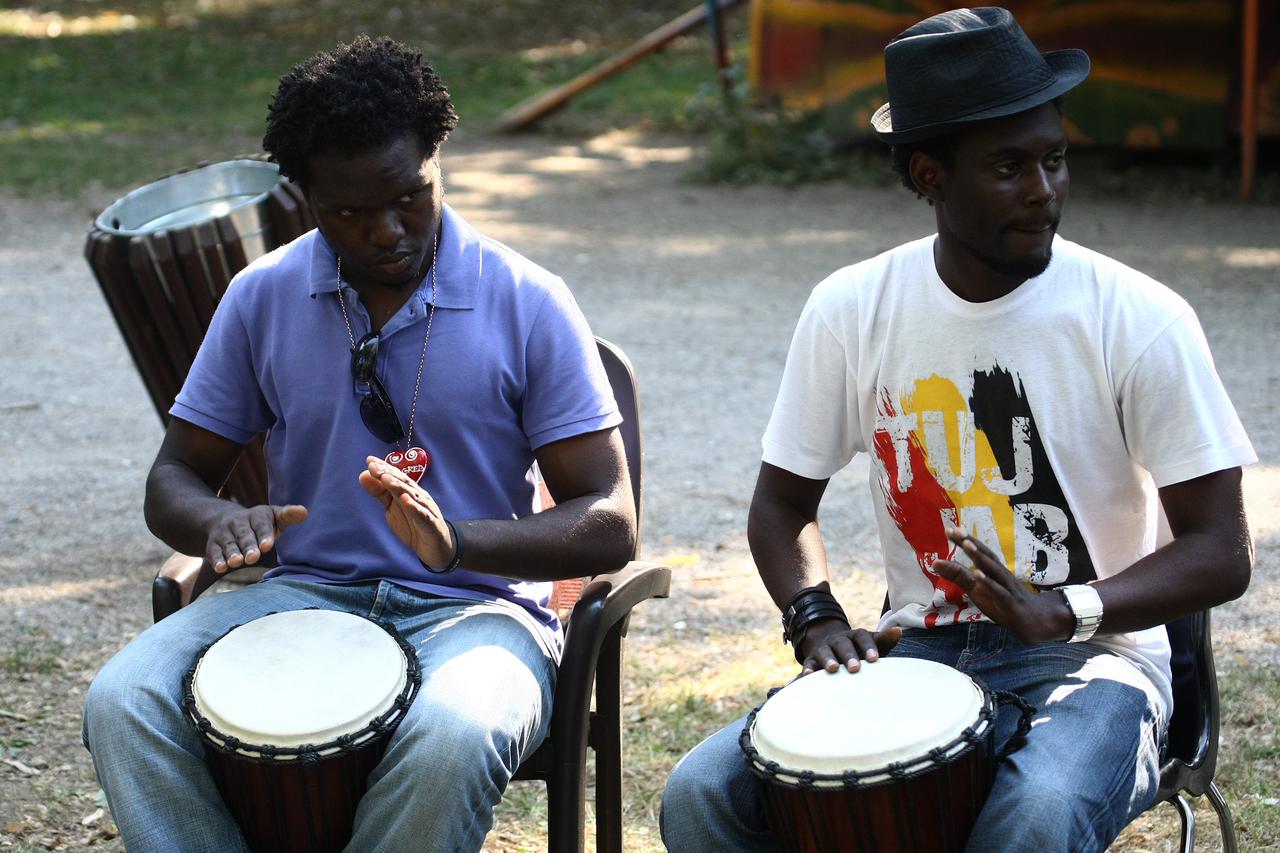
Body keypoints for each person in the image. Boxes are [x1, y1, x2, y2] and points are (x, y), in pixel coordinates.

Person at [661, 7, 1254, 852]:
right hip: (920, 653)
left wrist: (1068, 608)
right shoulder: (852, 309)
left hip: (1099, 660)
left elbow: (1223, 548)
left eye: (1053, 159)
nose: (1044, 189)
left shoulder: (1139, 317)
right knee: (702, 796)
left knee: (1038, 814)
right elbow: (782, 503)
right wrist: (814, 616)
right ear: (930, 175)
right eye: (1010, 167)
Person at [82, 35, 636, 853]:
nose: (385, 231)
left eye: (409, 197)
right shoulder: (261, 296)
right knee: (121, 699)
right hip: (301, 591)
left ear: (438, 159)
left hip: (477, 611)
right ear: (303, 197)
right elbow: (175, 475)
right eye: (347, 212)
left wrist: (457, 543)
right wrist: (215, 521)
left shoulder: (528, 300)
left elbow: (611, 518)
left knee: (455, 730)